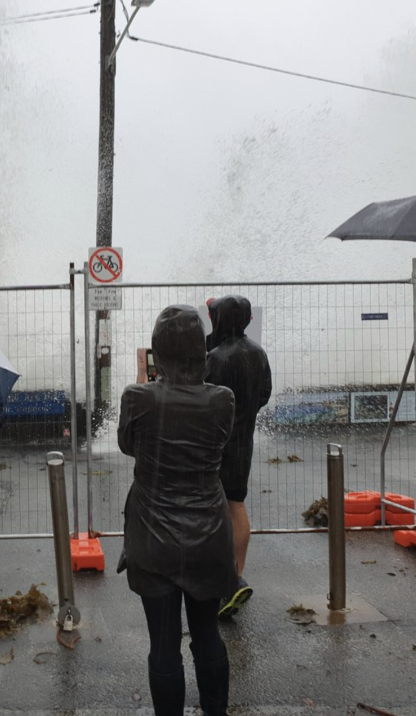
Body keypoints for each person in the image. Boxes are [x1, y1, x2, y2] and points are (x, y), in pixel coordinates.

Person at [117, 304, 237, 716]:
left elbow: (128, 445)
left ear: (157, 352)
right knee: (207, 636)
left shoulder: (138, 398)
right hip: (208, 534)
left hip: (153, 535)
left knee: (163, 644)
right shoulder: (223, 400)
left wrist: (143, 384)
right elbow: (218, 447)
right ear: (200, 351)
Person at [205, 295, 272, 618]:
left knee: (212, 509)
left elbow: (203, 397)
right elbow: (264, 395)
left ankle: (220, 579)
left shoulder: (215, 357)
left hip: (215, 443)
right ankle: (236, 573)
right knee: (236, 505)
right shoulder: (258, 353)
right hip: (244, 440)